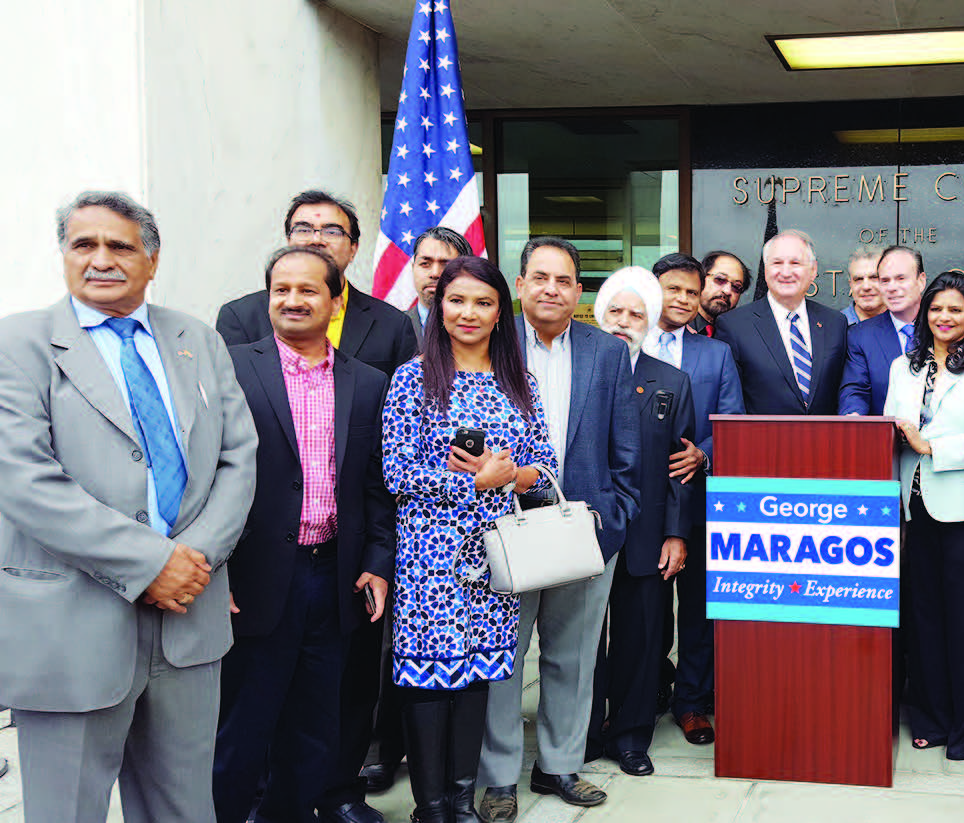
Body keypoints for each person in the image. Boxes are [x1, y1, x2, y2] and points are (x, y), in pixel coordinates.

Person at [0, 191, 259, 823]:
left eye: (120, 245)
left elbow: (238, 457)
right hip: (72, 622)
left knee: (184, 807)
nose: (100, 259)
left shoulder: (194, 337)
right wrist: (150, 564)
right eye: (83, 244)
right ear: (63, 254)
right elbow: (24, 480)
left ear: (152, 258)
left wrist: (190, 559)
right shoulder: (18, 343)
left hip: (187, 620)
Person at [215, 190, 419, 823]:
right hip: (254, 576)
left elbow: (377, 485)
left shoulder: (367, 382)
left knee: (317, 718)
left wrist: (379, 561)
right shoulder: (233, 370)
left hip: (335, 574)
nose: (293, 300)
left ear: (336, 303)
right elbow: (206, 477)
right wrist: (213, 566)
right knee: (245, 720)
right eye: (281, 290)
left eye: (309, 292)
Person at [382, 255, 556, 823]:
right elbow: (396, 473)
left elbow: (546, 470)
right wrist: (468, 483)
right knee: (430, 677)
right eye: (457, 300)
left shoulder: (518, 381)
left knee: (477, 676)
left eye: (483, 302)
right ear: (438, 306)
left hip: (495, 558)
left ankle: (460, 799)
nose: (469, 313)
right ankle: (430, 806)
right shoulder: (414, 378)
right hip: (430, 555)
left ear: (501, 313)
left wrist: (509, 477)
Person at [479, 237, 640, 816]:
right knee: (502, 658)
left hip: (585, 530)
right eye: (539, 277)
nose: (552, 289)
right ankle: (497, 777)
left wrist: (618, 513)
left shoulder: (607, 351)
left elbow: (626, 445)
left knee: (571, 657)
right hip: (503, 533)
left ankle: (559, 766)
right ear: (518, 285)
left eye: (564, 280)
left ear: (579, 291)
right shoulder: (488, 345)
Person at [884, 272, 964, 761]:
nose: (944, 317)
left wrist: (928, 444)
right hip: (913, 507)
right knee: (924, 619)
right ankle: (931, 718)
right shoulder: (904, 365)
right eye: (936, 309)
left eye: (955, 309)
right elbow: (892, 423)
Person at [585, 267, 695, 777]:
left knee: (641, 638)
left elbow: (681, 468)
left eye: (637, 314)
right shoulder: (575, 369)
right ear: (598, 314)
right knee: (579, 642)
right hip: (580, 533)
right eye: (616, 311)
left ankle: (630, 736)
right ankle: (582, 734)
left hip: (648, 534)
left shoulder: (670, 380)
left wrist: (676, 533)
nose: (624, 322)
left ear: (650, 323)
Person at [646, 252, 745, 745]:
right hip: (640, 500)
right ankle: (641, 696)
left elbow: (732, 423)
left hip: (698, 496)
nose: (684, 300)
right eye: (673, 289)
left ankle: (692, 703)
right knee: (643, 610)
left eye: (691, 291)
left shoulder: (716, 354)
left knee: (701, 608)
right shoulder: (622, 344)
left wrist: (703, 456)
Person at [216, 190, 419, 377]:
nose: (316, 240)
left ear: (353, 249)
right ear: (288, 241)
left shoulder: (393, 325)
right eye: (303, 229)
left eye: (332, 231)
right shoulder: (240, 318)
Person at [714, 229, 849, 415]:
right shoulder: (734, 326)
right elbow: (730, 405)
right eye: (777, 263)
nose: (786, 272)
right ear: (766, 268)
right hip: (763, 441)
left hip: (826, 441)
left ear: (813, 270)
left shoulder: (835, 322)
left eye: (795, 263)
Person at [840, 245, 928, 415]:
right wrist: (853, 418)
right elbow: (855, 391)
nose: (892, 287)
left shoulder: (941, 326)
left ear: (921, 280)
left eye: (901, 278)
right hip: (885, 437)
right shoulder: (859, 335)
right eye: (885, 280)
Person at [405, 226, 473, 341]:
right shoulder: (391, 328)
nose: (435, 273)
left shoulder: (483, 329)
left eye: (446, 265)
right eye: (425, 264)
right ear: (413, 268)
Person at [689, 251, 751, 336]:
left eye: (736, 287)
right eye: (720, 280)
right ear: (700, 279)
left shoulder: (736, 335)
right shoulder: (676, 326)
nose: (727, 291)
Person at [842, 244, 886, 324]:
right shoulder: (834, 327)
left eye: (874, 278)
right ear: (850, 284)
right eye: (858, 279)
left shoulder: (907, 324)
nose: (866, 287)